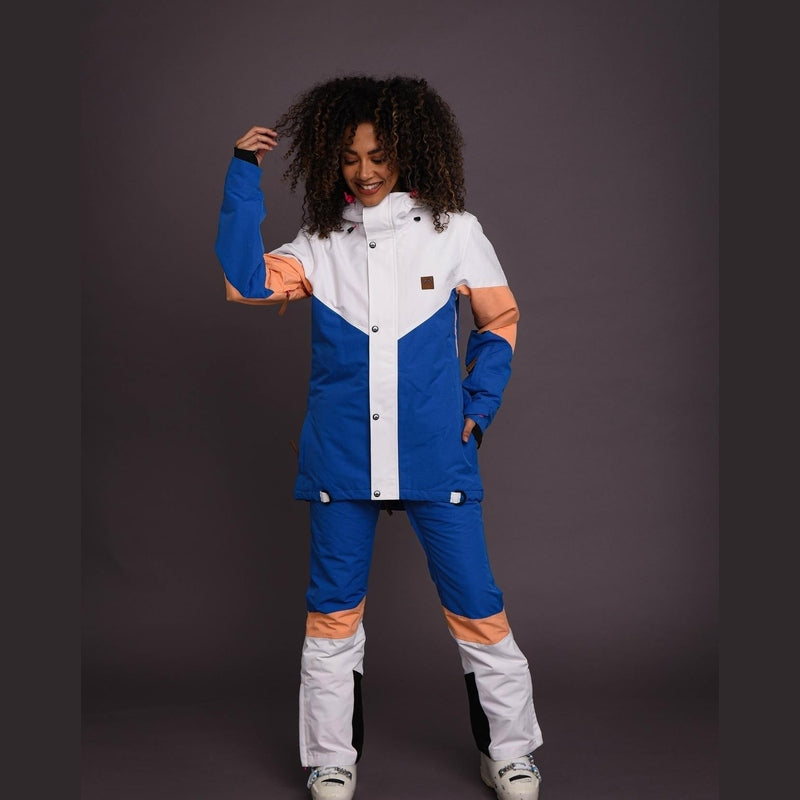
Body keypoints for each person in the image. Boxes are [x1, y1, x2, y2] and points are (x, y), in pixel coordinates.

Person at [214, 74, 544, 800]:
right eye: (349, 157)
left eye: (379, 156)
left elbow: (499, 320)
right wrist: (242, 175)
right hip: (342, 461)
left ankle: (511, 753)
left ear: (408, 154)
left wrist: (478, 406)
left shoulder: (456, 231)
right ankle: (331, 759)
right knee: (332, 616)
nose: (363, 172)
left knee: (479, 609)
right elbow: (246, 282)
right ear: (331, 160)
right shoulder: (319, 243)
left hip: (437, 457)